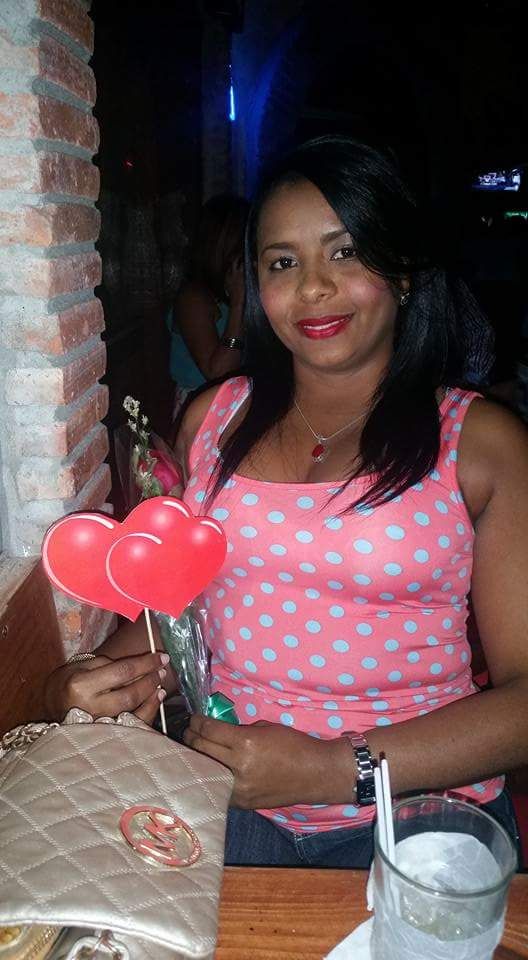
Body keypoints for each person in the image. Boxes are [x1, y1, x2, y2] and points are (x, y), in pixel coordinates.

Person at [45, 136, 528, 868]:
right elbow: (181, 609)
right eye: (282, 263)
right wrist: (87, 680)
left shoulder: (481, 441)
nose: (313, 288)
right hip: (225, 798)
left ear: (402, 271)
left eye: (345, 252)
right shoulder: (213, 421)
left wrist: (337, 768)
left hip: (417, 814)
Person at [167, 194, 249, 416]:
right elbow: (218, 372)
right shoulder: (193, 298)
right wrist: (239, 303)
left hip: (235, 402)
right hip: (202, 408)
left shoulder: (228, 292)